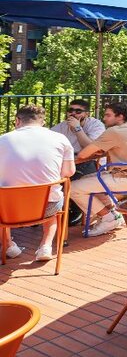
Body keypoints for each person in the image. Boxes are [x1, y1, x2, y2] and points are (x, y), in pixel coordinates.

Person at [0, 104, 76, 261]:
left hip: (8, 209)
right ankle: (45, 247)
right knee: (54, 198)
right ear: (43, 122)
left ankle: (8, 245)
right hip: (45, 207)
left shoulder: (3, 140)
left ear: (17, 121)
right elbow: (68, 173)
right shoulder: (60, 139)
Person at [69, 101, 127, 237]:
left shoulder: (113, 131)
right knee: (87, 179)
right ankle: (113, 214)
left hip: (124, 178)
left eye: (108, 115)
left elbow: (83, 153)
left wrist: (77, 129)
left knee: (73, 188)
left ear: (120, 117)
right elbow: (99, 150)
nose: (104, 118)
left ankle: (107, 218)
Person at [51, 99, 105, 226]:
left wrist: (77, 128)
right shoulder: (62, 126)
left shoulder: (96, 125)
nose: (73, 113)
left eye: (78, 111)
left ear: (86, 114)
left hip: (90, 160)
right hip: (69, 161)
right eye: (70, 110)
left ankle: (75, 211)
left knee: (75, 178)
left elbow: (92, 148)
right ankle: (48, 210)